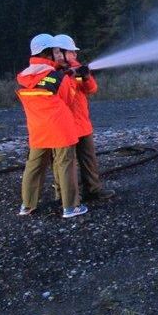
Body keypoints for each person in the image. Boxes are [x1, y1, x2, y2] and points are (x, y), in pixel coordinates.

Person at [16, 34, 87, 218]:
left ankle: (27, 205)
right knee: (65, 165)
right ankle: (71, 207)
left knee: (34, 166)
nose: (60, 55)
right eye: (56, 51)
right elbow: (68, 99)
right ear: (47, 53)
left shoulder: (23, 76)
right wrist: (72, 78)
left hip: (38, 129)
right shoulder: (58, 77)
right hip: (61, 128)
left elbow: (42, 86)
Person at [53, 34, 115, 201]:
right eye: (72, 52)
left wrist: (85, 76)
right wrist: (66, 75)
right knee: (64, 162)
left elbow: (90, 89)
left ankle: (93, 189)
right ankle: (64, 196)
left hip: (81, 122)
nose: (75, 55)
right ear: (60, 53)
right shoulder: (51, 73)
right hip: (63, 124)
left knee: (88, 158)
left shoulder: (77, 69)